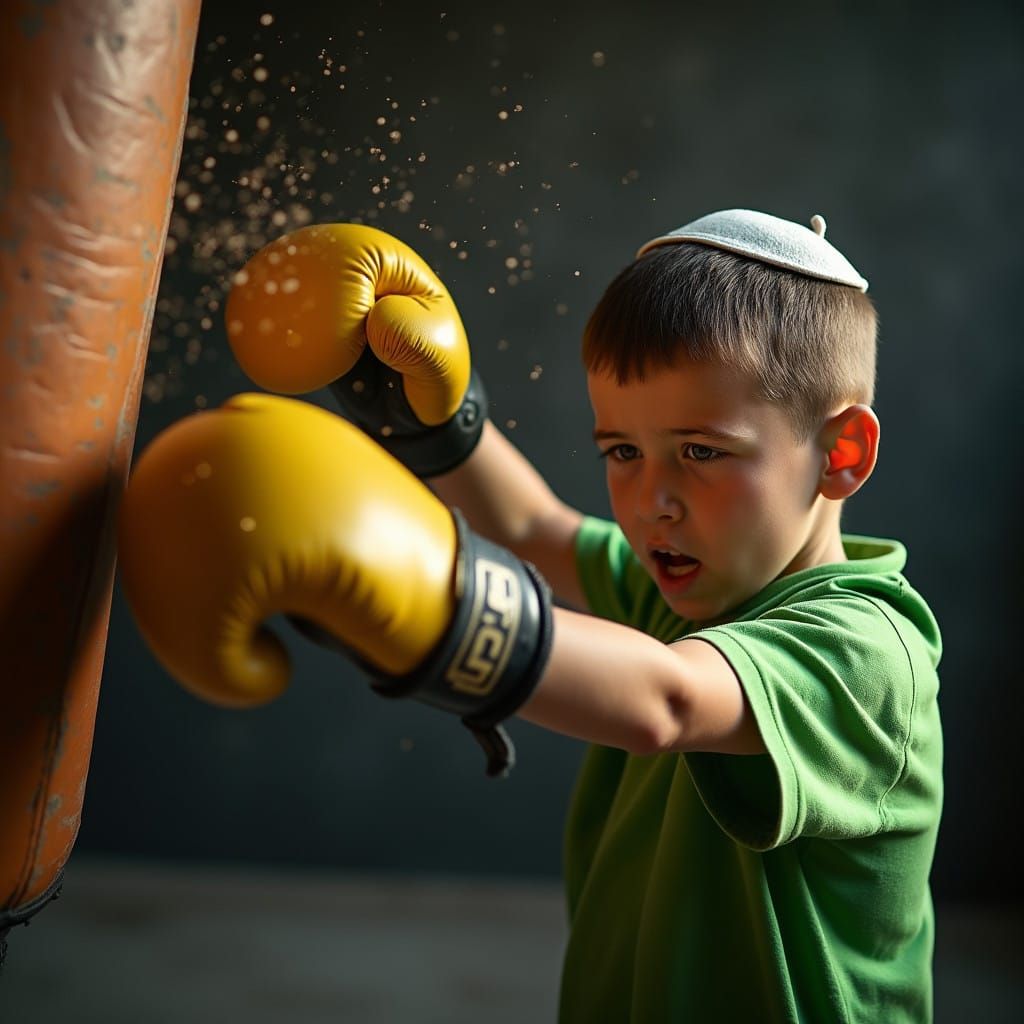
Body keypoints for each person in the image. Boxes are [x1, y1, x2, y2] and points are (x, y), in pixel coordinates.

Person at [118, 210, 943, 1022]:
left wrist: (436, 603)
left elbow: (670, 701)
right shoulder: (689, 589)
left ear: (841, 455)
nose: (652, 502)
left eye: (701, 451)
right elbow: (535, 530)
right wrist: (432, 424)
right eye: (622, 451)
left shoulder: (868, 651)